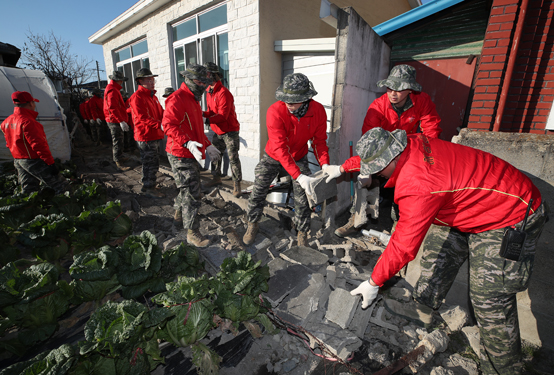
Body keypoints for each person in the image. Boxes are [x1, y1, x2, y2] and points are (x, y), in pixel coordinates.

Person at [346, 127, 548, 375]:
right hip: (473, 203)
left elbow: (404, 245)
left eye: (375, 169)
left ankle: (503, 369)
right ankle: (423, 309)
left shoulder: (418, 184)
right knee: (438, 250)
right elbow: (371, 155)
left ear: (389, 159)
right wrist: (343, 168)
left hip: (511, 212)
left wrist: (373, 281)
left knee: (489, 297)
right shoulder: (408, 144)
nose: (374, 174)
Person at [328, 64, 443, 238]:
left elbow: (431, 130)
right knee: (364, 183)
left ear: (410, 89)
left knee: (406, 189)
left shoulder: (422, 101)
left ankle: (402, 228)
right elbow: (369, 142)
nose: (393, 93)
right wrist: (365, 169)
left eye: (399, 89)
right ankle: (355, 219)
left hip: (407, 151)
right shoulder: (378, 107)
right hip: (381, 151)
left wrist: (425, 157)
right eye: (390, 88)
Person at [243, 73, 330, 247]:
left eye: (294, 100)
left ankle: (302, 234)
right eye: (286, 99)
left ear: (306, 98)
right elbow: (280, 148)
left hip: (298, 156)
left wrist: (325, 164)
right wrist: (298, 176)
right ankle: (252, 223)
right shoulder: (275, 111)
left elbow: (319, 142)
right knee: (259, 187)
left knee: (303, 196)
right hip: (274, 155)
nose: (289, 103)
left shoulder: (318, 111)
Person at [162, 64, 221, 247]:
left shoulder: (193, 100)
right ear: (190, 80)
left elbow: (195, 130)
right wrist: (186, 142)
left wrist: (208, 145)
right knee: (192, 192)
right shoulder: (177, 98)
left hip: (192, 152)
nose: (204, 86)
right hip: (180, 152)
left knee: (186, 188)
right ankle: (192, 232)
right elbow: (168, 125)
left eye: (205, 82)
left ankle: (179, 218)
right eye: (200, 82)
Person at [1, 91, 68, 195]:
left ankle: (30, 208)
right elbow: (39, 145)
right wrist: (50, 163)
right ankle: (67, 205)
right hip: (33, 160)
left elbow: (8, 143)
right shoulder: (28, 122)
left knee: (29, 190)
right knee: (62, 186)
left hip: (18, 160)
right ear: (30, 103)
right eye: (33, 103)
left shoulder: (7, 122)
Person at [202, 62, 243, 197]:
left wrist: (207, 120)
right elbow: (211, 111)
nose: (205, 76)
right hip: (218, 130)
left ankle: (237, 185)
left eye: (207, 74)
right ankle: (216, 178)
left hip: (230, 130)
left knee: (233, 158)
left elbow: (223, 116)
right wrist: (201, 114)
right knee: (215, 154)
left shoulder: (224, 93)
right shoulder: (209, 91)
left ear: (213, 75)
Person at [128, 68, 165, 198]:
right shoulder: (137, 97)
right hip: (145, 136)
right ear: (140, 81)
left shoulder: (152, 96)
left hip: (153, 134)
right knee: (151, 163)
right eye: (149, 80)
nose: (152, 82)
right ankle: (149, 188)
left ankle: (149, 184)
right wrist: (159, 124)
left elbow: (162, 112)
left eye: (152, 79)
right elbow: (142, 117)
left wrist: (170, 118)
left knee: (152, 162)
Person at [104, 71, 131, 170]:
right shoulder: (113, 90)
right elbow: (112, 107)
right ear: (119, 80)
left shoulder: (113, 88)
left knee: (119, 139)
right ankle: (118, 162)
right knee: (117, 140)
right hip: (114, 120)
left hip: (114, 118)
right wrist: (120, 121)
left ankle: (119, 156)